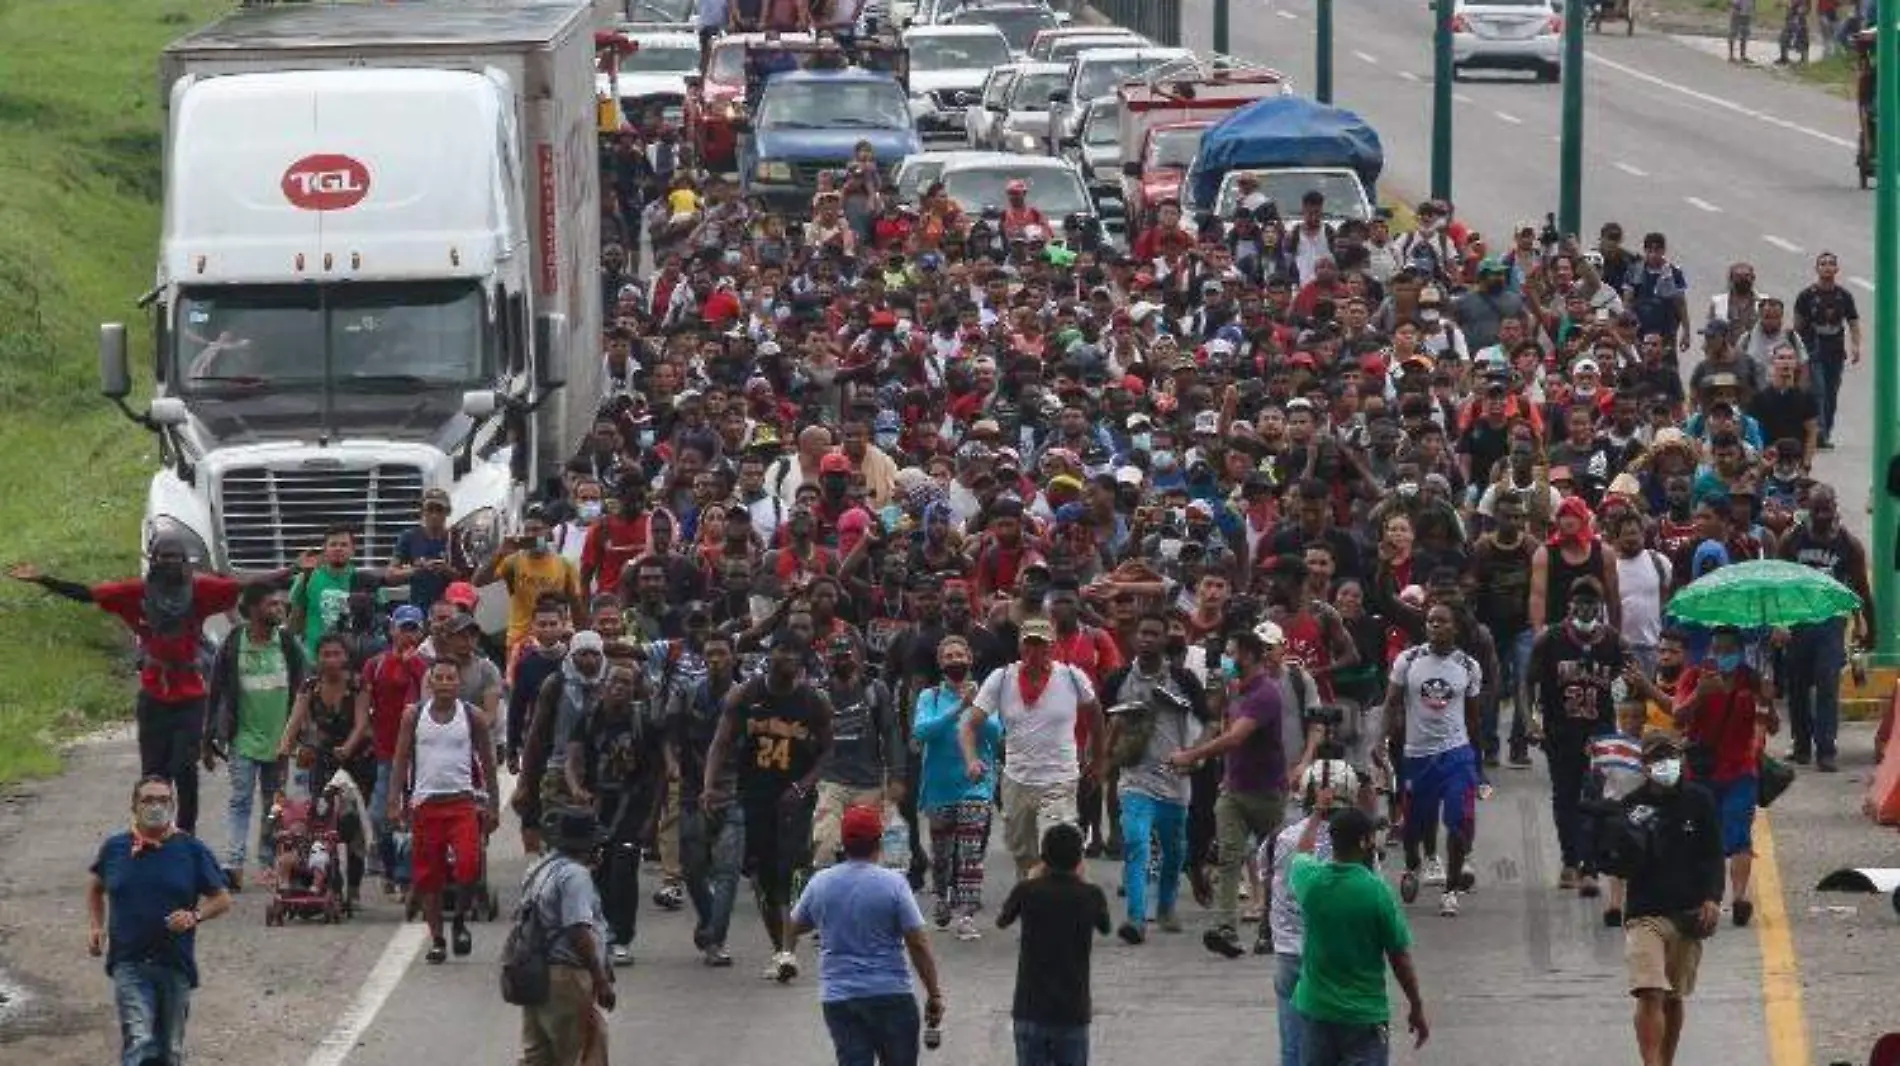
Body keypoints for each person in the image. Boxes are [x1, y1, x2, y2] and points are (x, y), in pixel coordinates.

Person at [8, 536, 278, 834]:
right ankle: (152, 834)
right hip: (153, 696)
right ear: (153, 560)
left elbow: (246, 585)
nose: (171, 562)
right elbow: (88, 594)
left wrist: (293, 570)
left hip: (191, 696)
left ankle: (186, 836)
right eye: (165, 557)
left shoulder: (199, 589)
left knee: (185, 769)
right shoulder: (134, 593)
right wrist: (43, 579)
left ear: (185, 561)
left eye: (177, 557)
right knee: (153, 774)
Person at [702, 637, 836, 981]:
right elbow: (720, 744)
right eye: (783, 650)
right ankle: (780, 948)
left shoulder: (813, 701)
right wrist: (709, 786)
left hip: (794, 797)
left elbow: (828, 752)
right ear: (769, 657)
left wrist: (802, 785)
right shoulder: (745, 695)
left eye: (795, 651)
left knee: (789, 869)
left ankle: (789, 948)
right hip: (755, 795)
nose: (789, 656)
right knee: (763, 875)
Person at [88, 774, 234, 1066]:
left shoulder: (191, 850)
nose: (156, 806)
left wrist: (194, 916)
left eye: (163, 800)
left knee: (169, 1051)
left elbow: (222, 899)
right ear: (134, 806)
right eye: (148, 800)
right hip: (129, 962)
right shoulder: (115, 848)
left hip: (174, 963)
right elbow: (95, 887)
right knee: (140, 1040)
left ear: (173, 806)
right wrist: (96, 926)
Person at [1167, 625, 1294, 959]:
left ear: (1249, 655)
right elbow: (1220, 724)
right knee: (1228, 857)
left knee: (1272, 865)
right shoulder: (1237, 690)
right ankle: (1226, 927)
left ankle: (1270, 928)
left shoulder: (1265, 694)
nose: (1227, 659)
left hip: (1267, 793)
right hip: (1235, 791)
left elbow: (1236, 737)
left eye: (1232, 652)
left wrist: (1191, 756)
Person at [788, 805, 947, 1066]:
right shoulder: (894, 884)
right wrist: (934, 993)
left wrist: (826, 918)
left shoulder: (821, 883)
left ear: (843, 842)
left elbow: (795, 925)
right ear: (879, 840)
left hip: (840, 997)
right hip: (891, 993)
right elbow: (917, 942)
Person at [1607, 733, 1724, 1066]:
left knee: (1673, 998)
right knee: (1649, 990)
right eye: (1657, 759)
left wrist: (1712, 898)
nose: (1666, 765)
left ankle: (1665, 1060)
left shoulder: (1699, 800)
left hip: (1688, 914)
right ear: (1644, 766)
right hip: (1646, 914)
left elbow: (1713, 855)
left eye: (1671, 757)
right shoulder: (1631, 805)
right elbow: (1620, 864)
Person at [963, 617, 1103, 882]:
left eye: (1041, 645)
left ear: (1052, 647)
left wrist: (1098, 759)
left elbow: (1096, 715)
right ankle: (1030, 904)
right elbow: (970, 725)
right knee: (1024, 854)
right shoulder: (1002, 678)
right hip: (1017, 780)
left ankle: (1068, 907)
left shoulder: (1071, 677)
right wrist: (971, 759)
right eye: (1029, 645)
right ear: (1020, 647)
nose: (1034, 652)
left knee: (1059, 849)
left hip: (1059, 780)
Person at [1100, 610, 1210, 944]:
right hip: (1134, 779)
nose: (1147, 638)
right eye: (1143, 632)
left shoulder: (1185, 680)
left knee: (1175, 849)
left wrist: (1195, 756)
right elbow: (1106, 724)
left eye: (1154, 633)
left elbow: (1211, 723)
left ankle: (1165, 905)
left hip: (1175, 781)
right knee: (1135, 843)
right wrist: (1104, 761)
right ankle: (1135, 918)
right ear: (1134, 638)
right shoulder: (1118, 680)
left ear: (1166, 640)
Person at [1288, 805, 1429, 1064]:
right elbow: (1400, 958)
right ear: (1365, 841)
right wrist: (1416, 1006)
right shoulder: (1377, 892)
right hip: (1364, 1016)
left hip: (1316, 1011)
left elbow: (1301, 853)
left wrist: (1317, 814)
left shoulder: (1311, 883)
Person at [387, 657, 502, 964]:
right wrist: (394, 800)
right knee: (429, 877)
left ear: (458, 683)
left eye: (452, 678)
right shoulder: (414, 715)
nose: (446, 683)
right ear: (430, 682)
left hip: (462, 802)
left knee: (468, 865)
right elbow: (400, 759)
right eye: (440, 678)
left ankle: (461, 918)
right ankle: (437, 938)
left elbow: (488, 761)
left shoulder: (471, 716)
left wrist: (492, 802)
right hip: (426, 806)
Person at [1529, 579, 1631, 896]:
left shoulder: (1614, 642)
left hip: (1599, 733)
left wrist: (1626, 716)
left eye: (1592, 603)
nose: (1585, 609)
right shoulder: (1551, 640)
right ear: (1570, 605)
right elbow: (1527, 682)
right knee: (1565, 797)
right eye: (1580, 602)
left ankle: (1589, 866)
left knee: (1593, 797)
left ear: (1600, 608)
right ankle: (1569, 860)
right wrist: (1530, 721)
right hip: (1560, 732)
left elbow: (1631, 681)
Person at [203, 582, 308, 890]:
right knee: (240, 800)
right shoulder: (234, 643)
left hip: (280, 741)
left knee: (273, 804)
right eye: (272, 605)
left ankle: (266, 861)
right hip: (243, 739)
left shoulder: (287, 643)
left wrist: (301, 735)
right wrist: (209, 737)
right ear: (252, 609)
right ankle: (234, 864)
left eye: (280, 604)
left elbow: (305, 686)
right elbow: (216, 691)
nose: (279, 609)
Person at [1672, 624, 1777, 928]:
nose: (1723, 655)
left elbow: (1772, 727)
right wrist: (1700, 696)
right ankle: (1701, 895)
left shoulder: (1752, 680)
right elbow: (1679, 717)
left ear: (1741, 651)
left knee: (1739, 834)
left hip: (1740, 771)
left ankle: (1740, 897)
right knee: (1699, 836)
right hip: (1700, 772)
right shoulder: (1694, 677)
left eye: (1729, 649)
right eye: (1717, 649)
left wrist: (1768, 702)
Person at [1384, 602, 1483, 916]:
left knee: (1457, 821)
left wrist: (1477, 761)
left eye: (1442, 621)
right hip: (1417, 755)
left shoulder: (1468, 666)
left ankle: (1451, 889)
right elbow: (1391, 704)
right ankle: (1413, 865)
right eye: (1430, 622)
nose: (1434, 627)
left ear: (1455, 627)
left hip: (1456, 754)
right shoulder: (1408, 660)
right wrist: (1380, 742)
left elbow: (1474, 715)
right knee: (1414, 825)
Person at [567, 663, 668, 966]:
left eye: (626, 683)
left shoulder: (643, 721)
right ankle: (599, 932)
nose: (619, 688)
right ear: (604, 685)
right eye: (614, 681)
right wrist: (576, 789)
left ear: (635, 689)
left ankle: (621, 938)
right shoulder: (589, 719)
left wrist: (653, 818)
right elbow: (572, 760)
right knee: (598, 870)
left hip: (634, 805)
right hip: (598, 806)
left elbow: (660, 771)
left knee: (624, 868)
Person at [1777, 484, 1876, 771]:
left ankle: (1826, 749)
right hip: (1797, 621)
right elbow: (1779, 584)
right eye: (1816, 509)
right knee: (1796, 686)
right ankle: (1801, 745)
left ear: (1835, 509)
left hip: (1831, 622)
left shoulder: (1849, 544)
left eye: (1826, 509)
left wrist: (1870, 631)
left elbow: (1862, 591)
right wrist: (1778, 622)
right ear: (1808, 508)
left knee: (1827, 683)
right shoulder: (1791, 539)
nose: (1821, 515)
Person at [1266, 761, 1358, 1066]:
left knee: (1292, 1049)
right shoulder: (1354, 846)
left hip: (1288, 953)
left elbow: (1265, 874)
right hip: (1335, 957)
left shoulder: (1281, 838)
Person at [996, 823, 1111, 1066]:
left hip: (1030, 1007)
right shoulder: (1090, 895)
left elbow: (1003, 920)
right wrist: (1084, 879)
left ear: (1043, 857)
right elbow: (1105, 926)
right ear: (1080, 857)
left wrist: (1031, 878)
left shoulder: (1027, 891)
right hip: (1073, 1010)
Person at [912, 634, 1003, 940]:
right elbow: (923, 731)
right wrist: (958, 708)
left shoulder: (986, 695)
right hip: (939, 787)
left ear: (970, 659)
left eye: (959, 655)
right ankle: (941, 896)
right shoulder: (931, 696)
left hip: (975, 784)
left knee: (970, 850)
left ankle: (966, 914)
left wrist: (976, 708)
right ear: (940, 663)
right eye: (948, 656)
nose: (954, 661)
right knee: (941, 853)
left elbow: (995, 734)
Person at [516, 808, 616, 1066]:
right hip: (567, 976)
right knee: (586, 1050)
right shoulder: (575, 876)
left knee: (538, 1056)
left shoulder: (539, 868)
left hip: (536, 972)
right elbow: (578, 930)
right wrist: (600, 977)